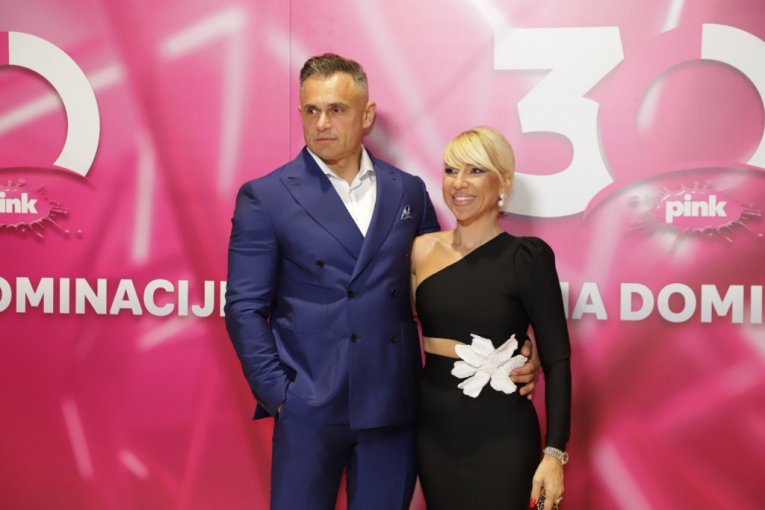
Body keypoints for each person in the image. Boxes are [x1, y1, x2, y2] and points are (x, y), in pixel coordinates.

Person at [224, 54, 540, 510]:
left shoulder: (407, 190)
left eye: (337, 109)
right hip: (309, 407)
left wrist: (511, 346)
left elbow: (445, 291)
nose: (322, 123)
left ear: (367, 115)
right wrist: (281, 396)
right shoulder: (267, 196)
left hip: (392, 405)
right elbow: (244, 308)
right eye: (311, 110)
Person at [411, 126, 571, 510]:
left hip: (504, 437)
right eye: (451, 170)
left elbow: (558, 360)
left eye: (476, 170)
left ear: (505, 182)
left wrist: (554, 453)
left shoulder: (526, 257)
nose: (459, 183)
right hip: (434, 435)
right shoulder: (418, 250)